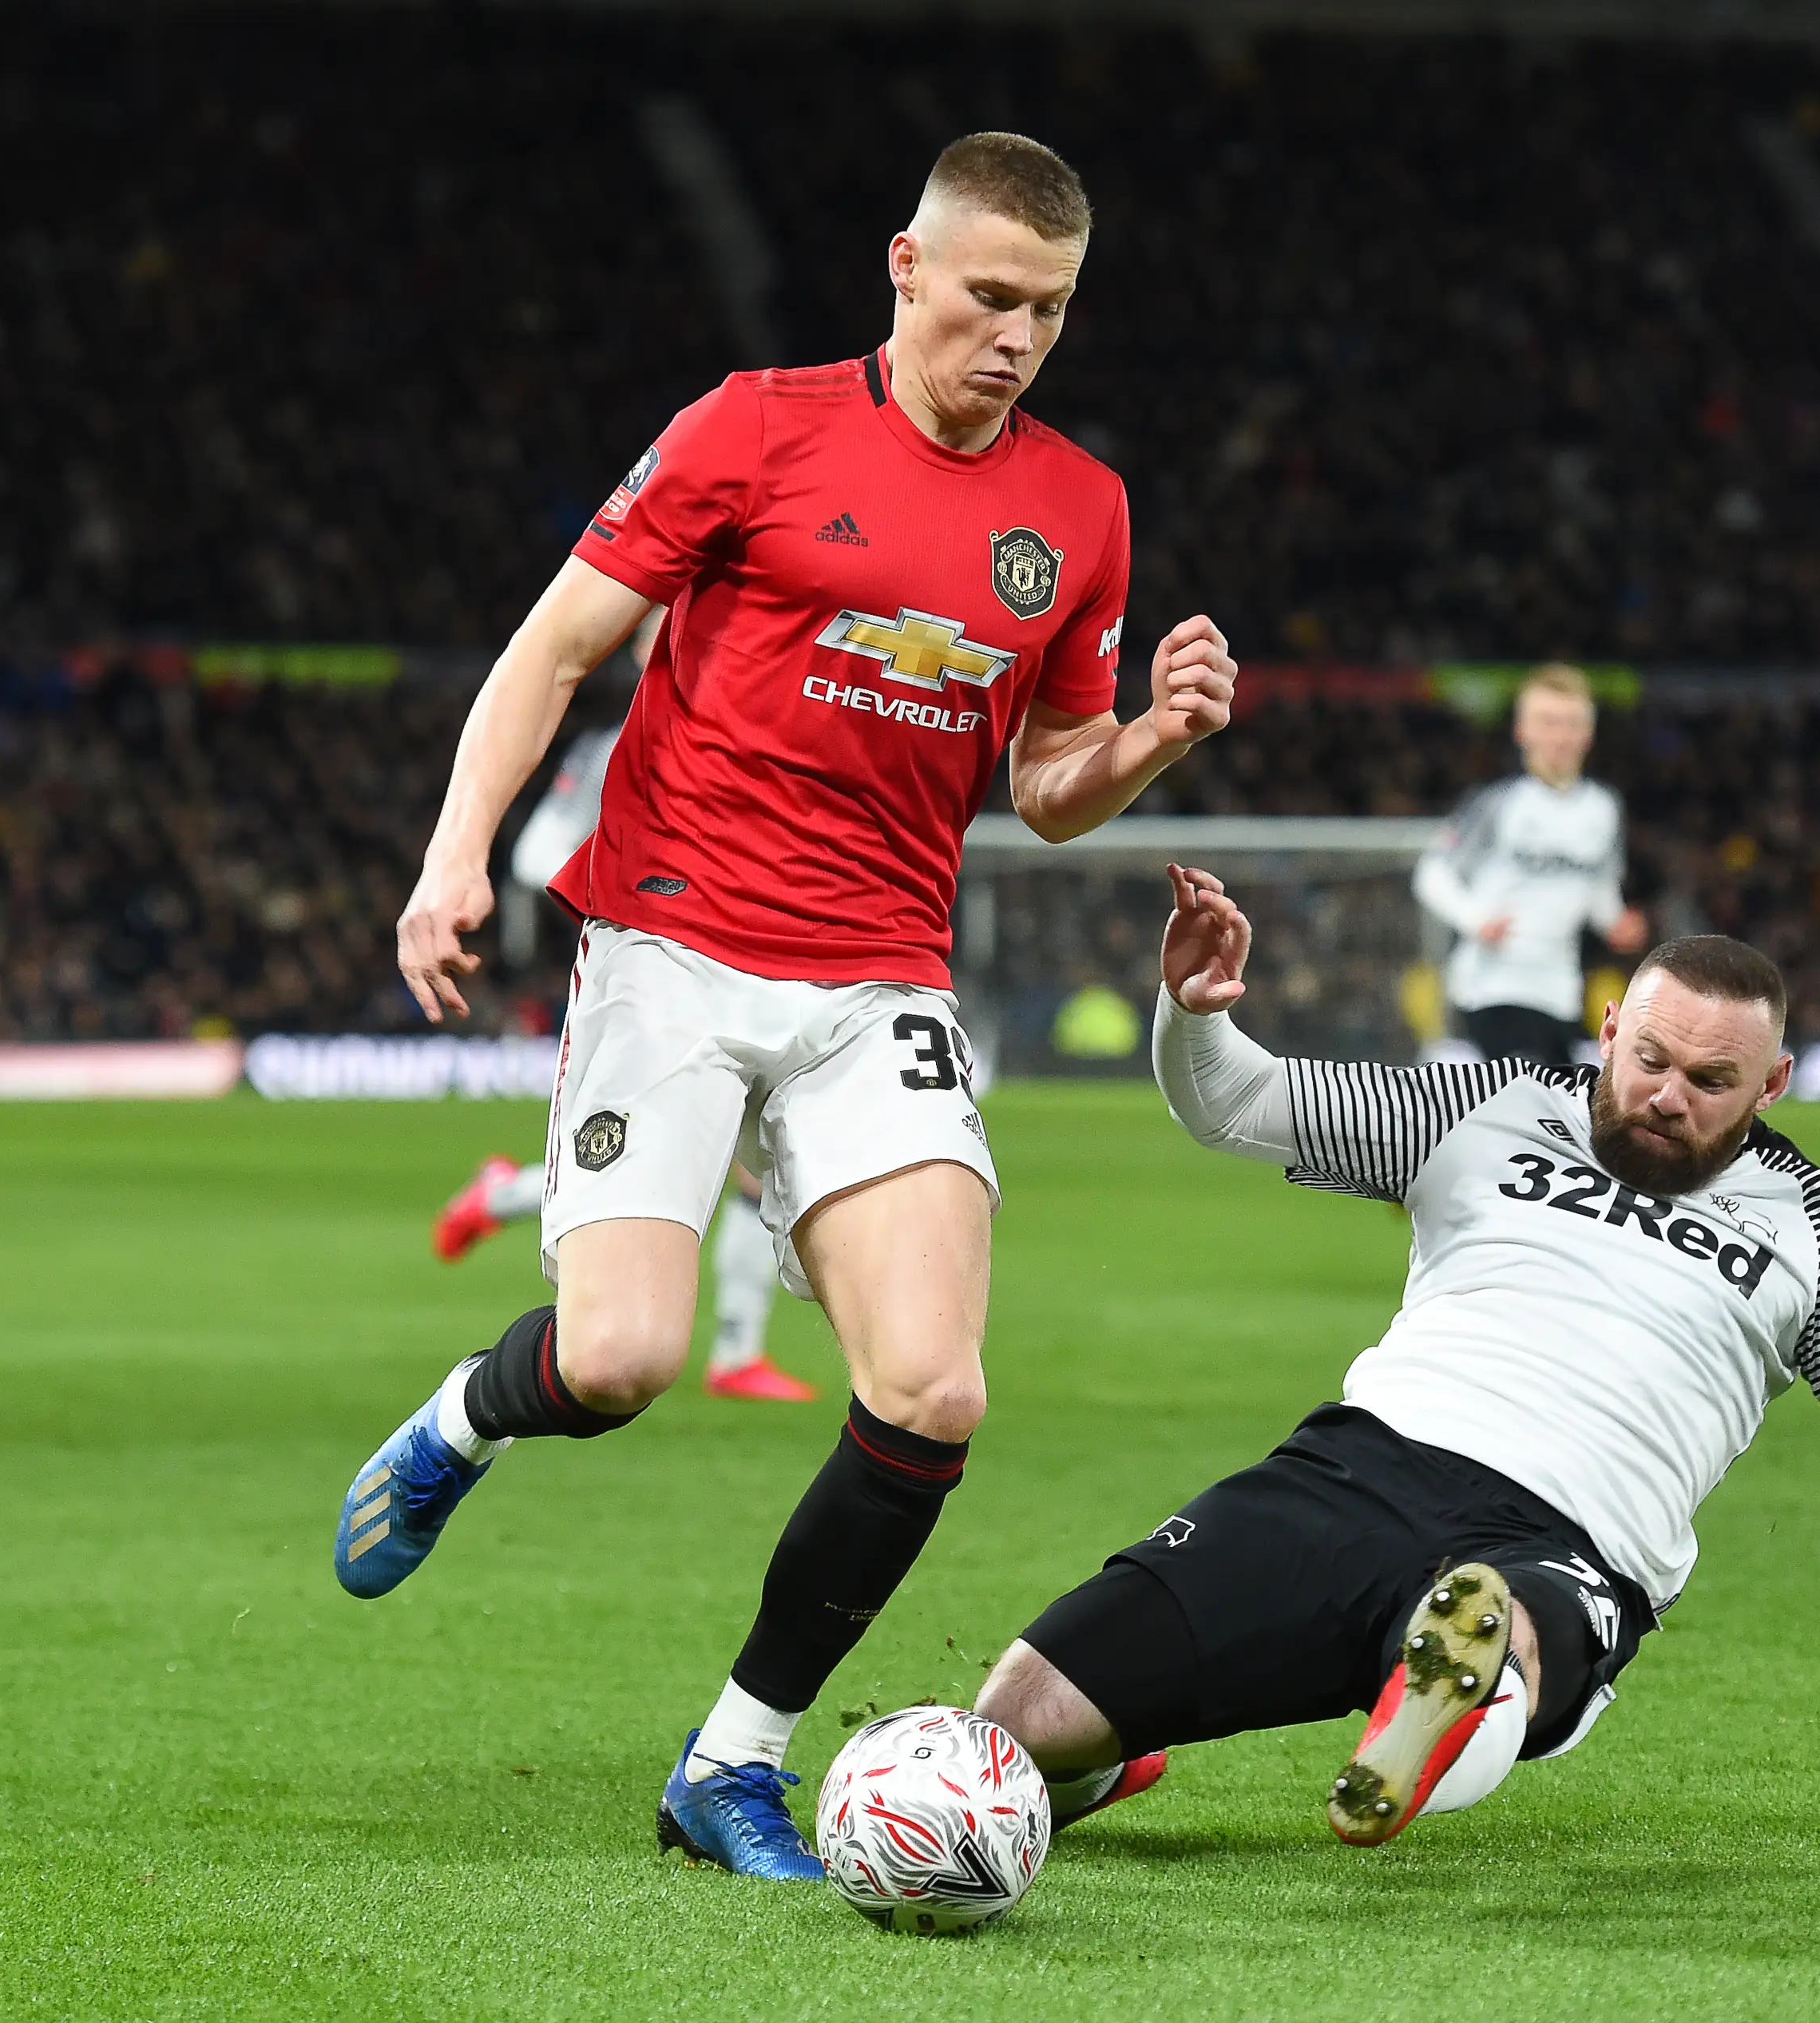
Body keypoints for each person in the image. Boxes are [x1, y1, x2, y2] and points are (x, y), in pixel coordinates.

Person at [335, 132, 1239, 1882]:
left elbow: (1047, 787)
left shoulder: (1081, 511)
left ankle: (730, 1762)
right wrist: (458, 858)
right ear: (904, 269)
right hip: (673, 943)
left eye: (1048, 310)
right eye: (989, 297)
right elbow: (551, 650)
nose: (1017, 338)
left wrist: (1151, 740)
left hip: (879, 974)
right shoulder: (752, 425)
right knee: (617, 1363)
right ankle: (464, 1418)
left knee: (934, 1391)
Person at [974, 867, 1820, 1843]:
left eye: (1710, 1078)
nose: (1667, 1094)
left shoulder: (1818, 1234)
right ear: (1610, 1022)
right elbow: (1236, 1102)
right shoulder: (1484, 1106)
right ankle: (1097, 1761)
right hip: (1350, 1474)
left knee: (1494, 1641)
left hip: (1568, 1543)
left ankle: (1448, 1700)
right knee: (1010, 1724)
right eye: (1647, 1057)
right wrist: (1190, 1012)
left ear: (1775, 1083)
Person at [434, 632, 816, 1401]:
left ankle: (736, 1351)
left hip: (744, 960)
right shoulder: (619, 746)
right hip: (647, 963)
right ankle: (735, 1352)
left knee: (723, 1160)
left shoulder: (761, 739)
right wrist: (626, 899)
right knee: (674, 1161)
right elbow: (539, 852)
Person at [1412, 664, 1648, 1067]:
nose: (1560, 735)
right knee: (1531, 1097)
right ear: (1523, 731)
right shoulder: (1499, 804)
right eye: (1548, 722)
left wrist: (1614, 921)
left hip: (1560, 988)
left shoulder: (1603, 809)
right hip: (1494, 985)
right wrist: (1476, 919)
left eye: (1572, 723)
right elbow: (1431, 874)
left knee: (1566, 1108)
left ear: (1588, 734)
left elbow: (1597, 888)